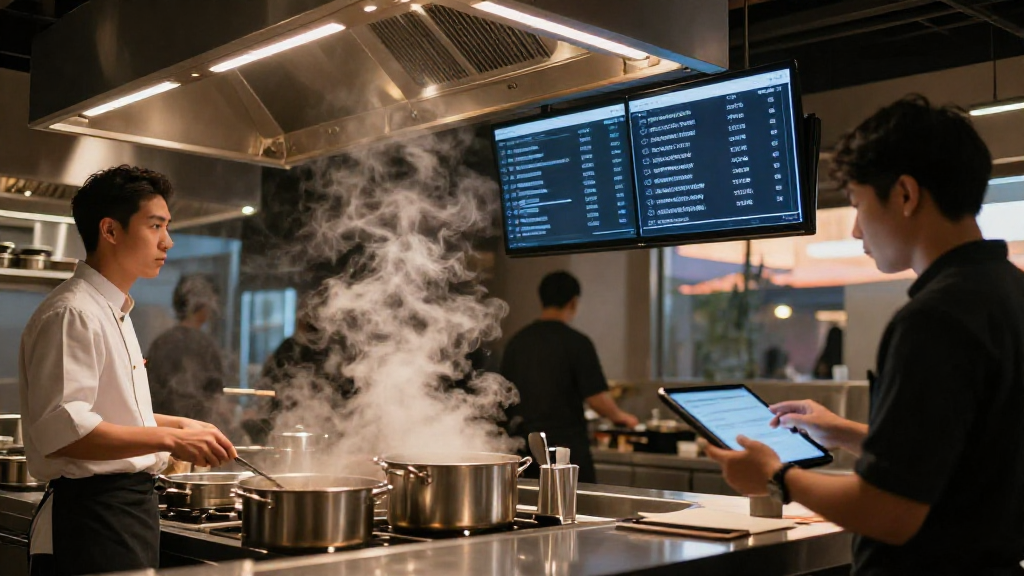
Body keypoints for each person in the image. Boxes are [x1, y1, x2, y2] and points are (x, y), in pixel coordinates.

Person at [704, 96, 1024, 575]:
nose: (856, 230)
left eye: (857, 204)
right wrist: (844, 432)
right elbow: (966, 455)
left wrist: (775, 477)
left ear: (905, 194)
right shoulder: (1010, 290)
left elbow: (890, 513)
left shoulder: (934, 318)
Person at [19, 166, 238, 576]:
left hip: (123, 514)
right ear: (110, 230)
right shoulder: (73, 313)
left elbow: (107, 414)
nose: (167, 241)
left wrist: (181, 424)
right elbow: (65, 430)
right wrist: (169, 438)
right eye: (155, 226)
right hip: (90, 519)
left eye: (167, 227)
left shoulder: (114, 311)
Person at [501, 271, 639, 483]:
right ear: (573, 302)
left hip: (522, 451)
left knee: (525, 509)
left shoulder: (516, 342)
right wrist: (622, 418)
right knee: (574, 509)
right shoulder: (577, 343)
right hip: (564, 452)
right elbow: (597, 399)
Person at [147, 274, 227, 426]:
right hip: (195, 429)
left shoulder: (161, 341)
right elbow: (215, 396)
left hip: (160, 428)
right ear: (201, 303)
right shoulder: (204, 344)